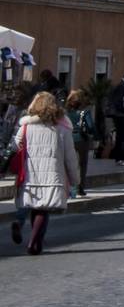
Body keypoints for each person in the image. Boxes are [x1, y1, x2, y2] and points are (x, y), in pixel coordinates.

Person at [9, 91, 79, 254]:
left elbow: (15, 145)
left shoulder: (26, 126)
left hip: (30, 172)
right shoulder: (62, 128)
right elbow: (70, 155)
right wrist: (75, 178)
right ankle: (34, 241)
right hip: (52, 174)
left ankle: (35, 240)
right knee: (43, 208)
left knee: (36, 207)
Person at [65, 89, 95, 198]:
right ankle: (80, 188)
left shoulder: (65, 112)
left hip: (68, 138)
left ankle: (68, 188)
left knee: (68, 163)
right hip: (82, 139)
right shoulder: (85, 112)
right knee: (82, 164)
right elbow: (91, 126)